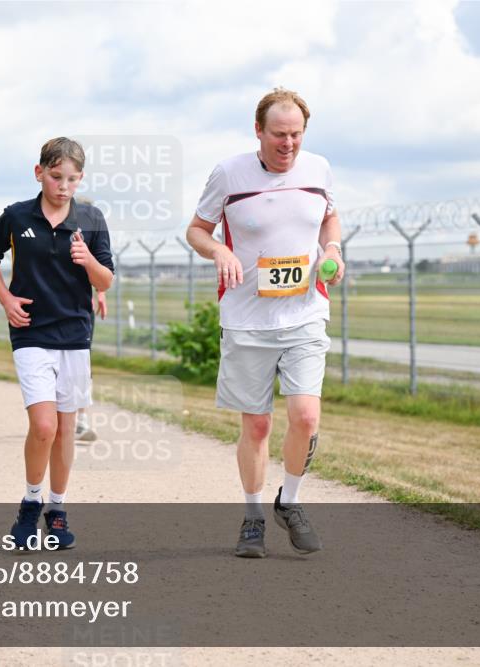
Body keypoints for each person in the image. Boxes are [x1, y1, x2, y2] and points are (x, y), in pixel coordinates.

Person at [186, 88, 344, 559]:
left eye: (296, 134)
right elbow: (196, 229)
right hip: (246, 319)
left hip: (304, 313)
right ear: (258, 131)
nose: (288, 144)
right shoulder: (229, 173)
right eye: (279, 134)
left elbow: (330, 219)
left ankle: (289, 503)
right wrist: (220, 250)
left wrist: (332, 250)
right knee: (256, 426)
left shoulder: (319, 169)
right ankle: (253, 516)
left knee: (306, 416)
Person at [0, 137, 114, 549]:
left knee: (66, 430)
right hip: (31, 331)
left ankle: (57, 509)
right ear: (39, 173)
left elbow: (106, 279)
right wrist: (5, 299)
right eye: (56, 177)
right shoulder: (17, 216)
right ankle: (30, 502)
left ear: (81, 179)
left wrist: (86, 260)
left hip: (74, 333)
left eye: (72, 179)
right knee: (43, 426)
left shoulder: (91, 218)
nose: (63, 186)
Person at [75, 289, 107, 442]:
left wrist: (101, 291)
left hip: (83, 308)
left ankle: (81, 421)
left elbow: (94, 264)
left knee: (82, 362)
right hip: (47, 308)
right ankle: (53, 419)